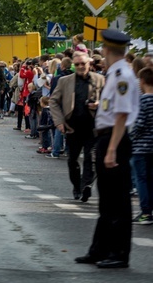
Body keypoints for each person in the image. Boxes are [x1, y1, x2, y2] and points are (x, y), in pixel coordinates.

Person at [75, 29, 139, 269]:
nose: (101, 50)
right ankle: (99, 249)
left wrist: (112, 148)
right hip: (108, 137)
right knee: (107, 199)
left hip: (116, 139)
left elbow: (122, 114)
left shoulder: (122, 75)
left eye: (103, 47)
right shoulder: (114, 73)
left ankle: (119, 253)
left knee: (118, 200)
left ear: (108, 49)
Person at [49, 52, 105, 200]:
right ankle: (77, 186)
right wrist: (59, 121)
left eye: (83, 64)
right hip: (73, 127)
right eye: (77, 64)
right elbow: (53, 101)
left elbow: (108, 100)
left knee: (90, 158)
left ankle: (86, 185)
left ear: (89, 64)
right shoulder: (64, 81)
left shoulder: (100, 80)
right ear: (74, 65)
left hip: (93, 127)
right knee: (72, 160)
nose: (80, 67)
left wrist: (99, 104)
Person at [130, 67, 153, 225]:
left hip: (141, 147)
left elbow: (138, 124)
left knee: (141, 180)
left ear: (142, 81)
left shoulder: (143, 100)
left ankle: (146, 212)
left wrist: (129, 137)